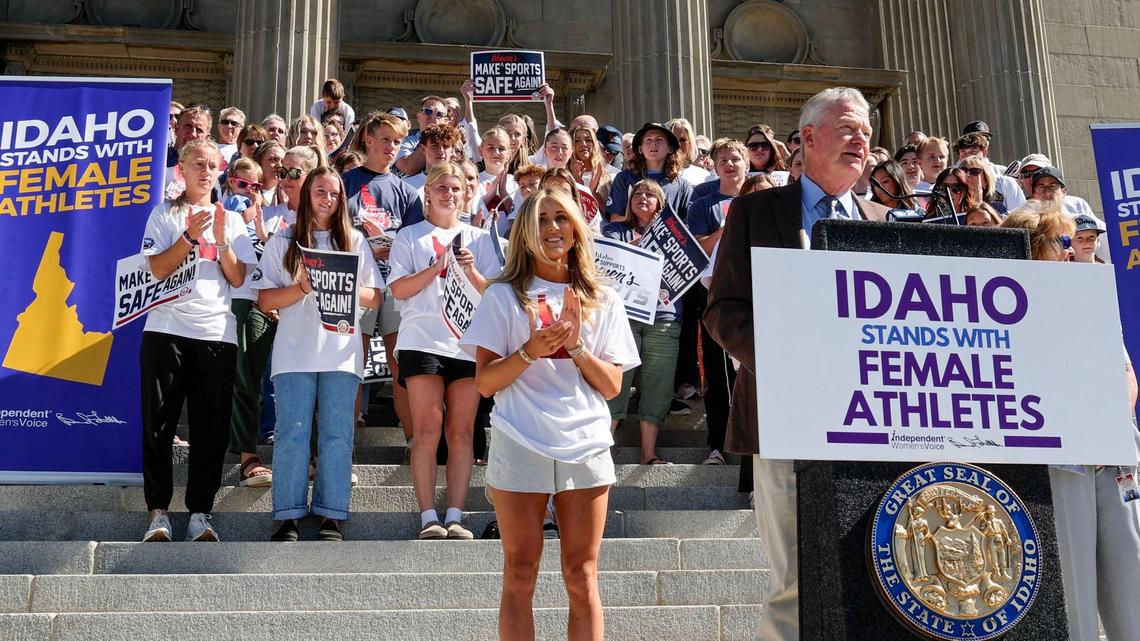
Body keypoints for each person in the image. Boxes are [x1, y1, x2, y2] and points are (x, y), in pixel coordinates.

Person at [705, 87, 889, 641]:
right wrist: (785, 362)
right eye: (847, 129)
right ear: (808, 138)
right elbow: (723, 311)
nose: (861, 140)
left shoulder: (885, 221)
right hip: (785, 418)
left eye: (866, 132)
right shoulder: (757, 212)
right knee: (795, 582)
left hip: (872, 421)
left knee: (872, 572)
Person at [460, 187, 636, 641]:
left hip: (586, 443)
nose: (552, 228)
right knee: (520, 572)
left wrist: (575, 347)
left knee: (582, 576)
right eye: (541, 219)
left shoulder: (603, 298)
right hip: (519, 438)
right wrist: (529, 351)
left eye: (561, 218)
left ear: (577, 230)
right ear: (524, 233)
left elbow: (613, 385)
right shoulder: (501, 297)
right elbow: (484, 382)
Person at [1001, 203, 1140, 641]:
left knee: (1132, 580)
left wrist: (1112, 418)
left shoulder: (1091, 293)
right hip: (1060, 467)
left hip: (1115, 458)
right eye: (1056, 244)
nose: (1067, 252)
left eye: (1067, 243)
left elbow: (1126, 372)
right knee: (1073, 598)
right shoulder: (1005, 312)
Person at [254, 166, 383, 542]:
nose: (328, 199)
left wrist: (339, 284)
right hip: (294, 354)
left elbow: (375, 296)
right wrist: (303, 287)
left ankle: (331, 514)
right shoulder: (282, 242)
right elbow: (264, 299)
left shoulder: (354, 241)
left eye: (335, 193)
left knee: (337, 436)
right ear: (307, 194)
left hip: (341, 355)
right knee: (292, 434)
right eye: (321, 192)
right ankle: (288, 514)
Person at [139, 139, 258, 543]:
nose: (206, 171)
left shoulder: (233, 219)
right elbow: (155, 268)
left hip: (215, 334)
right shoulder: (163, 213)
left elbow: (239, 278)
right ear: (181, 171)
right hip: (165, 330)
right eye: (198, 164)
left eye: (213, 165)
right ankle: (158, 512)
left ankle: (200, 514)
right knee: (159, 424)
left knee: (211, 430)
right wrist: (189, 238)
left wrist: (222, 241)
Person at [387, 162, 502, 540]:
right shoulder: (410, 236)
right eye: (441, 188)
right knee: (427, 430)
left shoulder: (481, 238)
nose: (448, 194)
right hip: (421, 341)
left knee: (461, 432)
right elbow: (399, 289)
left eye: (455, 188)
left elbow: (496, 296)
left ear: (465, 193)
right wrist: (436, 267)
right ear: (428, 192)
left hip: (468, 344)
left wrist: (471, 273)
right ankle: (427, 518)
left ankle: (455, 515)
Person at [343, 111, 424, 443]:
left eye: (398, 141)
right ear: (369, 139)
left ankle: (412, 444)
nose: (392, 147)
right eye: (386, 139)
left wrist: (390, 247)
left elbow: (416, 246)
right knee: (351, 366)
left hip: (394, 284)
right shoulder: (344, 182)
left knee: (400, 367)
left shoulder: (407, 193)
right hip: (356, 282)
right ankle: (342, 447)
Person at [602, 180, 680, 464]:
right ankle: (601, 451)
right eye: (637, 193)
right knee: (616, 381)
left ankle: (648, 453)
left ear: (661, 204)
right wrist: (648, 242)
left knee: (658, 384)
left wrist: (664, 235)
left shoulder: (675, 235)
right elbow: (610, 260)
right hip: (622, 317)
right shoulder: (615, 229)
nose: (643, 197)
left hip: (664, 315)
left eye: (650, 194)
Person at [687, 138, 751, 466]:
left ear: (747, 163)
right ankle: (717, 445)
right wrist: (728, 226)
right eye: (722, 159)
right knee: (717, 372)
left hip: (754, 296)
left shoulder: (761, 200)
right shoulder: (703, 205)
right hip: (713, 297)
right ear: (713, 165)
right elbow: (698, 250)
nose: (729, 164)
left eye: (736, 158)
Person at [605, 123, 693, 224]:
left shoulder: (682, 186)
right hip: (630, 239)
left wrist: (663, 226)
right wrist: (644, 223)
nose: (653, 144)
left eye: (659, 140)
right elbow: (615, 219)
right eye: (648, 140)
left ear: (670, 148)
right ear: (640, 148)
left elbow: (690, 224)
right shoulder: (624, 178)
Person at [953, 131, 1025, 210]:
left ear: (985, 152)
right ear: (959, 157)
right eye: (964, 154)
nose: (969, 157)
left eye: (973, 152)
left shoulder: (1005, 183)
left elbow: (1020, 215)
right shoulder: (955, 189)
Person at [666, 117, 712, 185]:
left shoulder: (704, 177)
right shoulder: (651, 174)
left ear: (690, 143)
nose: (678, 144)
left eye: (683, 140)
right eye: (673, 139)